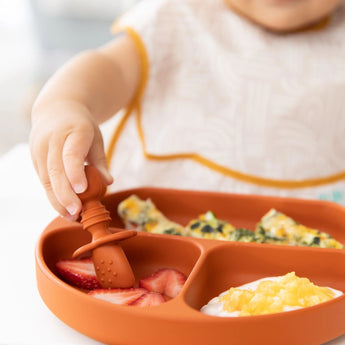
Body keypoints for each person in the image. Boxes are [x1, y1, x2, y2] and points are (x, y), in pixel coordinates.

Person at [29, 0, 345, 222]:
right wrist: (64, 104)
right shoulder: (178, 19)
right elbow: (111, 67)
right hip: (162, 244)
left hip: (320, 261)